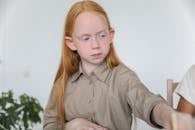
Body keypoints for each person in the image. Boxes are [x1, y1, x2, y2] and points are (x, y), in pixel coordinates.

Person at [43, 0, 193, 130]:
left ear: (111, 36)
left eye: (101, 35)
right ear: (71, 43)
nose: (95, 44)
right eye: (86, 38)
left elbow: (147, 102)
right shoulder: (62, 83)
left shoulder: (123, 77)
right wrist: (71, 126)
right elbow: (49, 125)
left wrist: (169, 116)